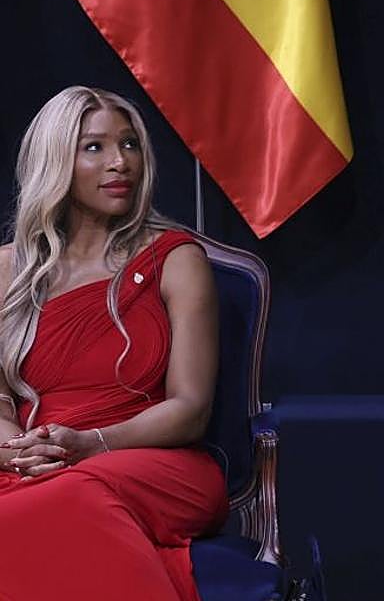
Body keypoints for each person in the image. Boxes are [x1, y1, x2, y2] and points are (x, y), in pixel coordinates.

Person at [0, 86, 226, 601]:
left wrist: (90, 444)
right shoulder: (7, 269)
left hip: (149, 459)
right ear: (55, 160)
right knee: (52, 500)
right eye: (95, 147)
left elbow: (190, 408)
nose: (120, 162)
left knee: (75, 494)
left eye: (129, 145)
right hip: (36, 462)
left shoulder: (173, 258)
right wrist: (15, 453)